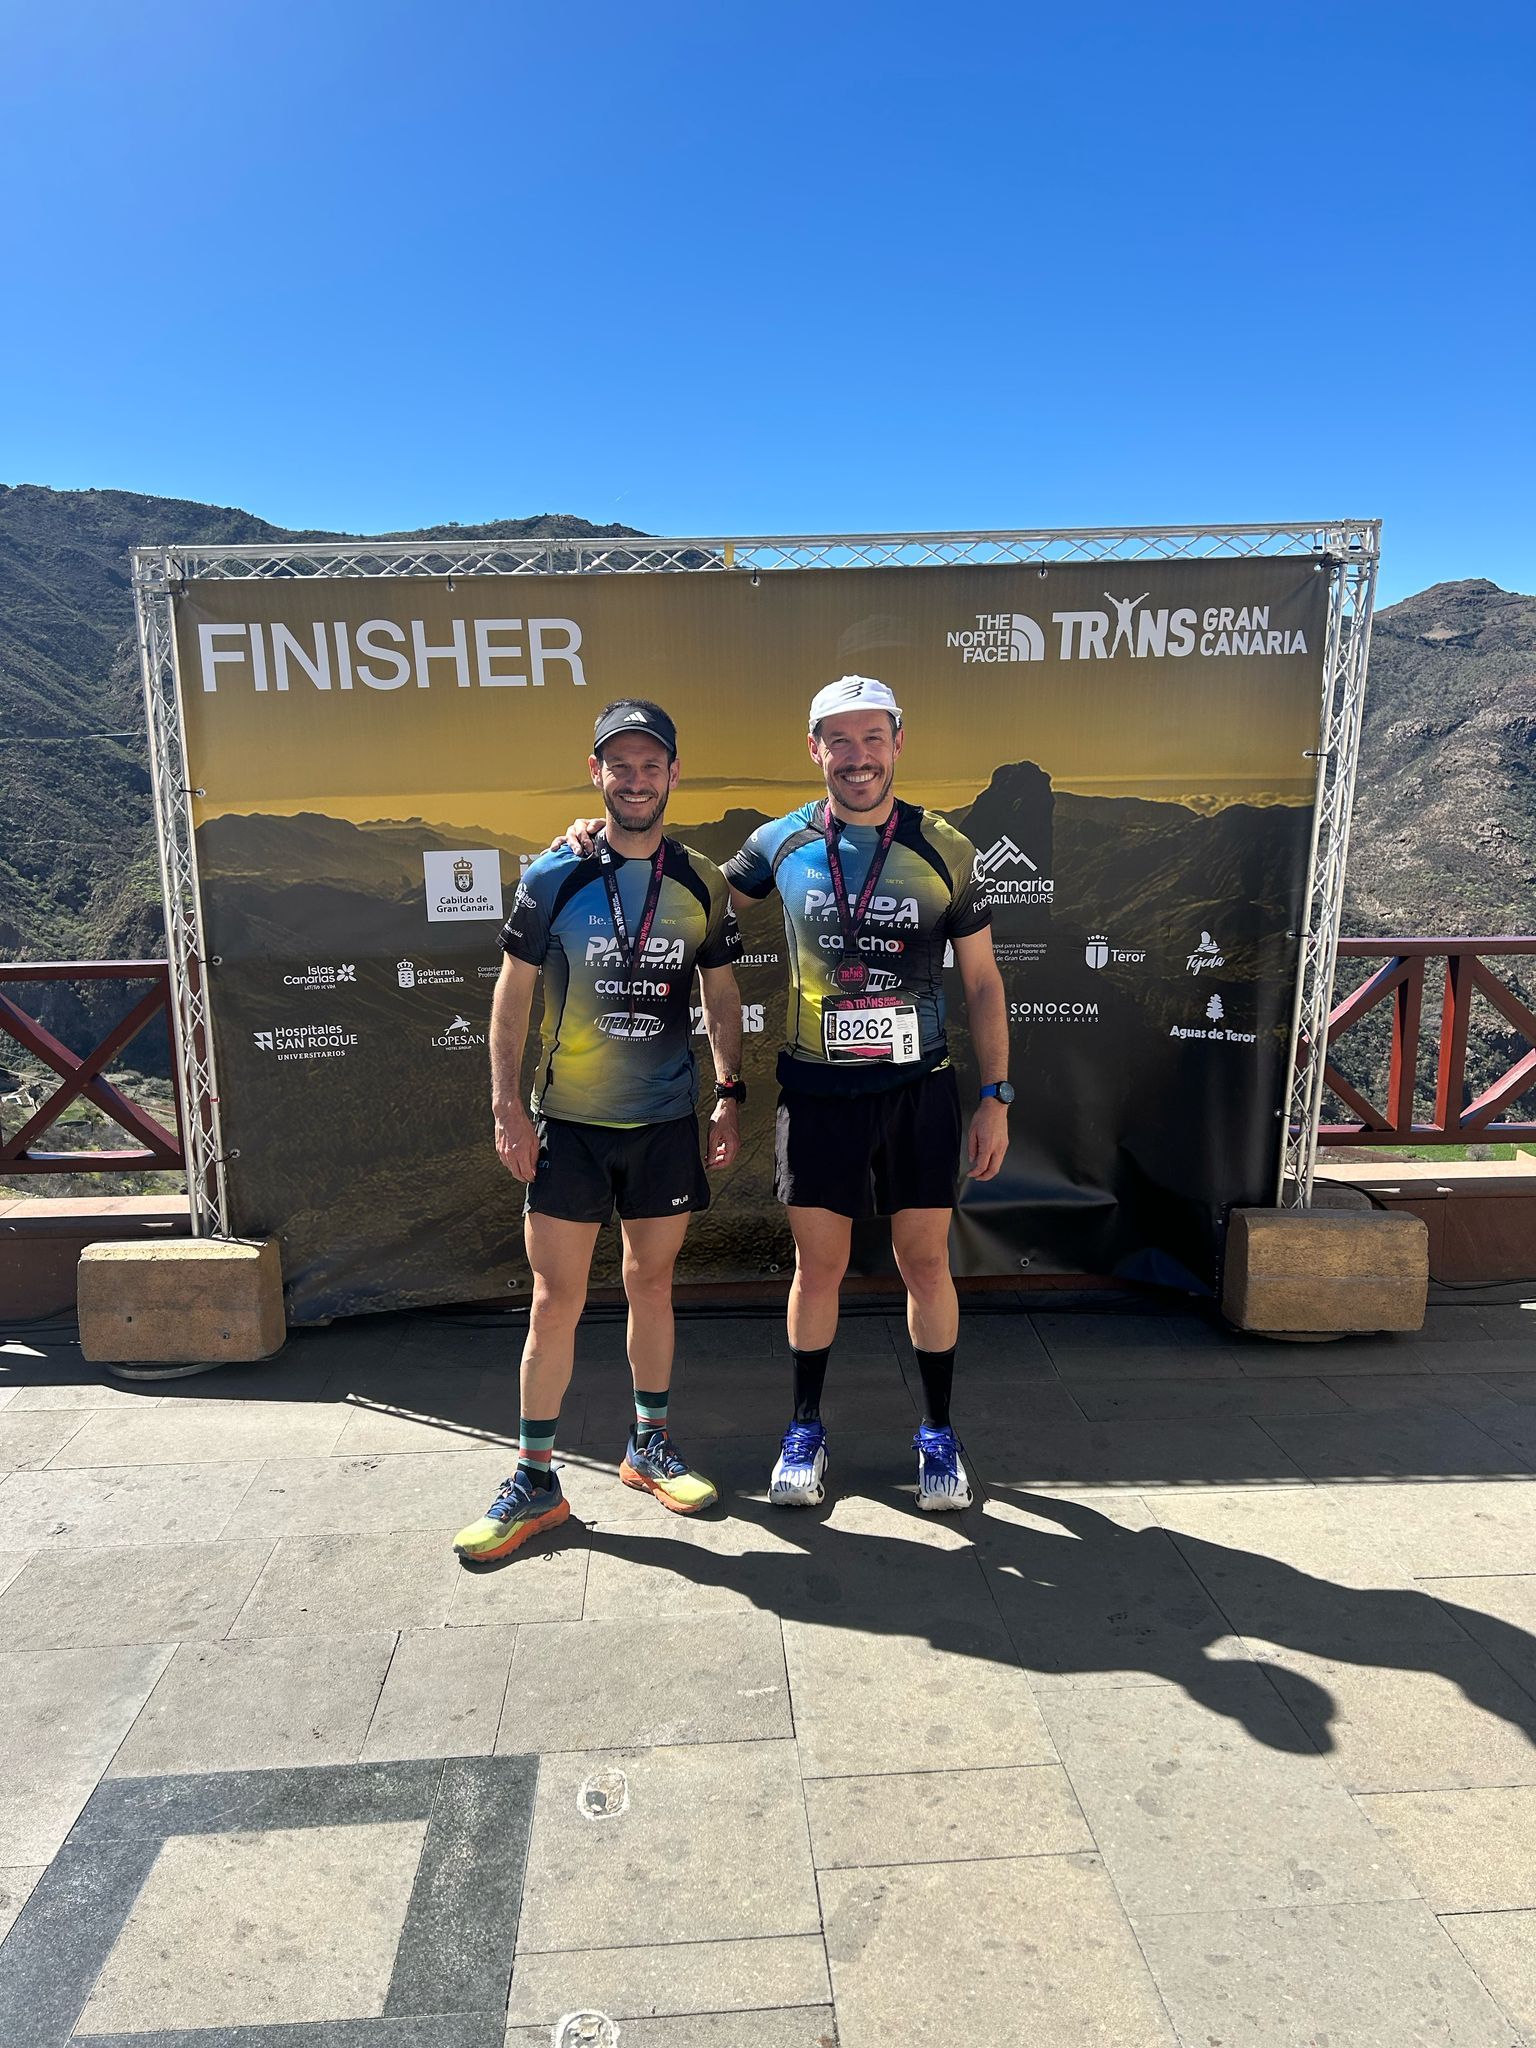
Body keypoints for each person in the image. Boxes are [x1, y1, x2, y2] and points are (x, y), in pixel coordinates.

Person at [561, 675, 1010, 1513]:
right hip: (818, 1092)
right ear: (815, 750)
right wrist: (599, 839)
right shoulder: (779, 842)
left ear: (897, 744)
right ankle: (804, 1431)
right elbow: (685, 888)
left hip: (920, 1089)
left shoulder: (945, 847)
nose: (857, 756)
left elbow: (983, 983)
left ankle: (939, 1437)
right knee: (820, 1266)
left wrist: (998, 1095)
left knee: (924, 1264)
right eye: (839, 741)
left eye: (872, 738)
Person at [453, 699, 746, 1563]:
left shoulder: (704, 883)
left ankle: (647, 1446)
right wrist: (507, 1107)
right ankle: (535, 1480)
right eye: (619, 765)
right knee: (556, 1300)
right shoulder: (554, 875)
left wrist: (730, 1093)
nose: (636, 779)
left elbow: (722, 998)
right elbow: (509, 1001)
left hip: (663, 1123)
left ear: (673, 775)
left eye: (650, 764)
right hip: (571, 1127)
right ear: (597, 774)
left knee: (652, 1285)